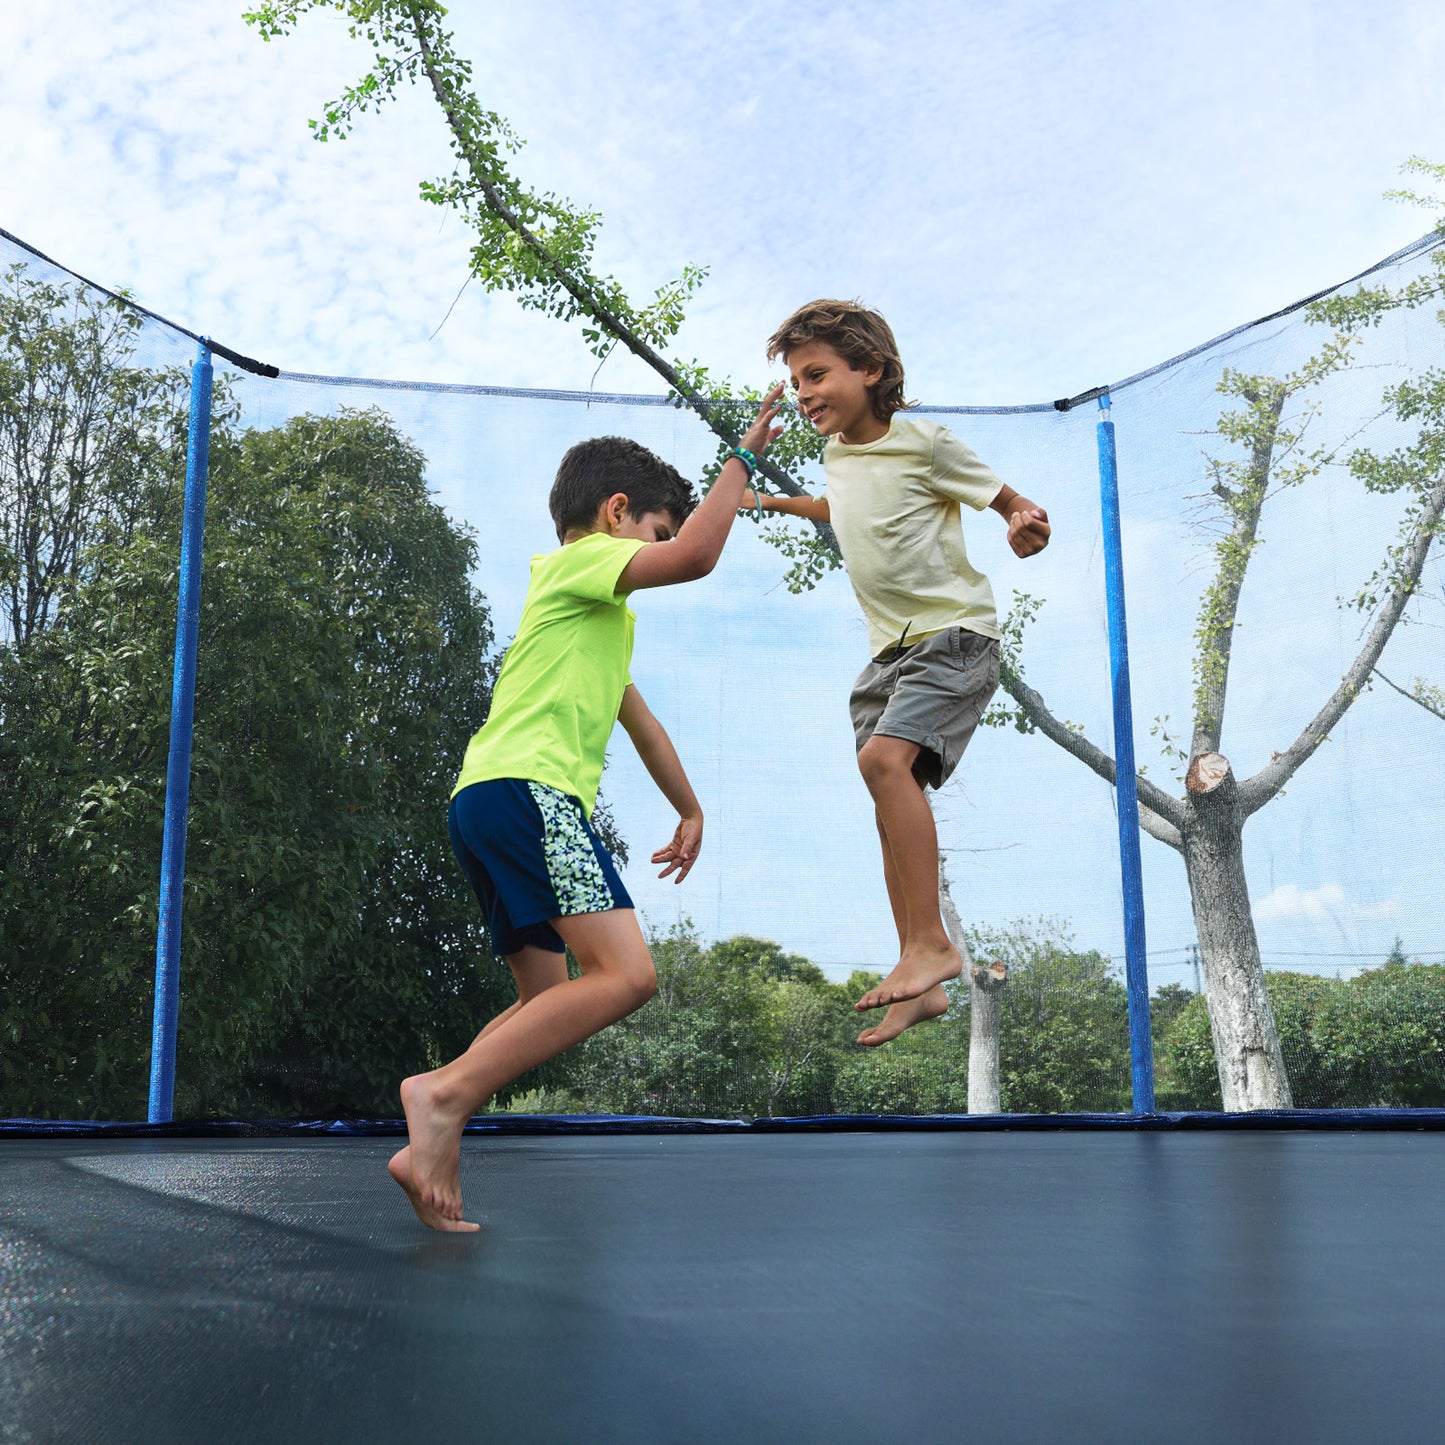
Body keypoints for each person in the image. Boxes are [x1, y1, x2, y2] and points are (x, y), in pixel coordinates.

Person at [389, 385, 784, 1231]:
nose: (657, 551)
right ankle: (443, 1094)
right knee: (626, 976)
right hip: (533, 795)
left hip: (486, 797)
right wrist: (739, 461)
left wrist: (690, 809)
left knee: (546, 998)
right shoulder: (577, 564)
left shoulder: (590, 615)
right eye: (654, 529)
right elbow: (698, 557)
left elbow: (640, 726)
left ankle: (435, 1132)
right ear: (615, 513)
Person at [744, 300, 1050, 1047]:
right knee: (888, 785)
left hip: (953, 634)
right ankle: (919, 977)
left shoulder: (926, 442)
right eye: (795, 378)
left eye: (815, 373)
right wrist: (771, 500)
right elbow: (841, 508)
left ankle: (930, 946)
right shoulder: (839, 458)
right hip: (889, 651)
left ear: (870, 369)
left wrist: (1022, 521)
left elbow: (1010, 500)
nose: (804, 390)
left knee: (885, 761)